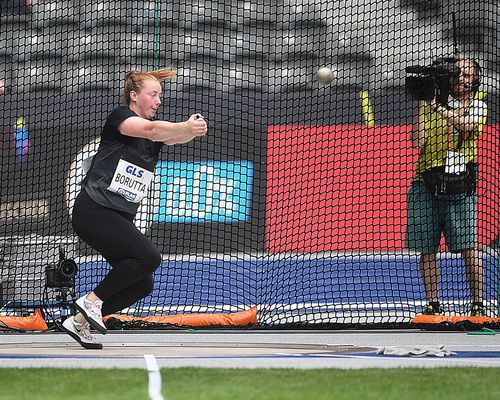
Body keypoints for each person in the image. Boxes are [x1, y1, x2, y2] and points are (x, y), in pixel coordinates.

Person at [62, 68, 208, 349]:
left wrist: (192, 130)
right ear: (133, 96)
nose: (158, 101)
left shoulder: (155, 137)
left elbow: (172, 136)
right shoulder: (121, 118)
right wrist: (186, 126)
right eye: (153, 95)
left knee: (143, 283)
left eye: (160, 96)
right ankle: (90, 302)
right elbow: (153, 130)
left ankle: (79, 322)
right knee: (149, 256)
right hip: (94, 209)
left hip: (117, 215)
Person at [406, 58, 488, 317]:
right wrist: (423, 103)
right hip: (425, 182)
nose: (462, 79)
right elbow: (417, 142)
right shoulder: (430, 106)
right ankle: (433, 304)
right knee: (426, 248)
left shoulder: (478, 106)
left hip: (459, 185)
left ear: (475, 79)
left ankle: (477, 304)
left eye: (467, 75)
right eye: (457, 74)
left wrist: (437, 107)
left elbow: (466, 127)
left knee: (468, 247)